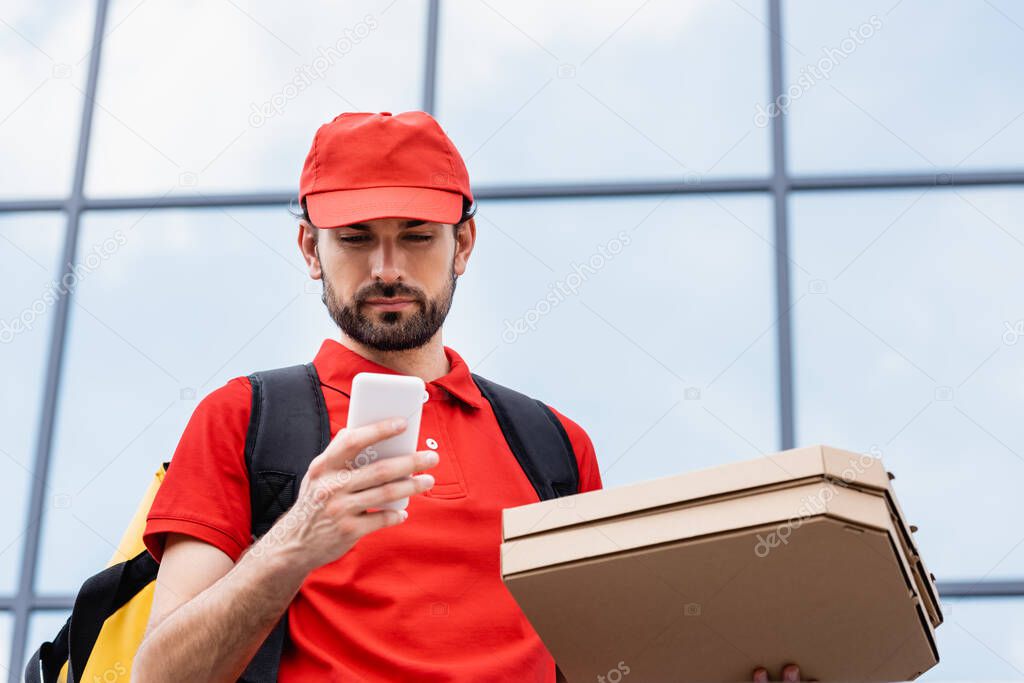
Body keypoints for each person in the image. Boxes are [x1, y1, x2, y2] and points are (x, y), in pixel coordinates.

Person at [131, 111, 604, 682]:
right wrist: (298, 540)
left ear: (463, 245)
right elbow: (162, 676)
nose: (387, 269)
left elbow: (602, 657)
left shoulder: (553, 445)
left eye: (417, 236)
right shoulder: (242, 417)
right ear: (310, 249)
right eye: (355, 238)